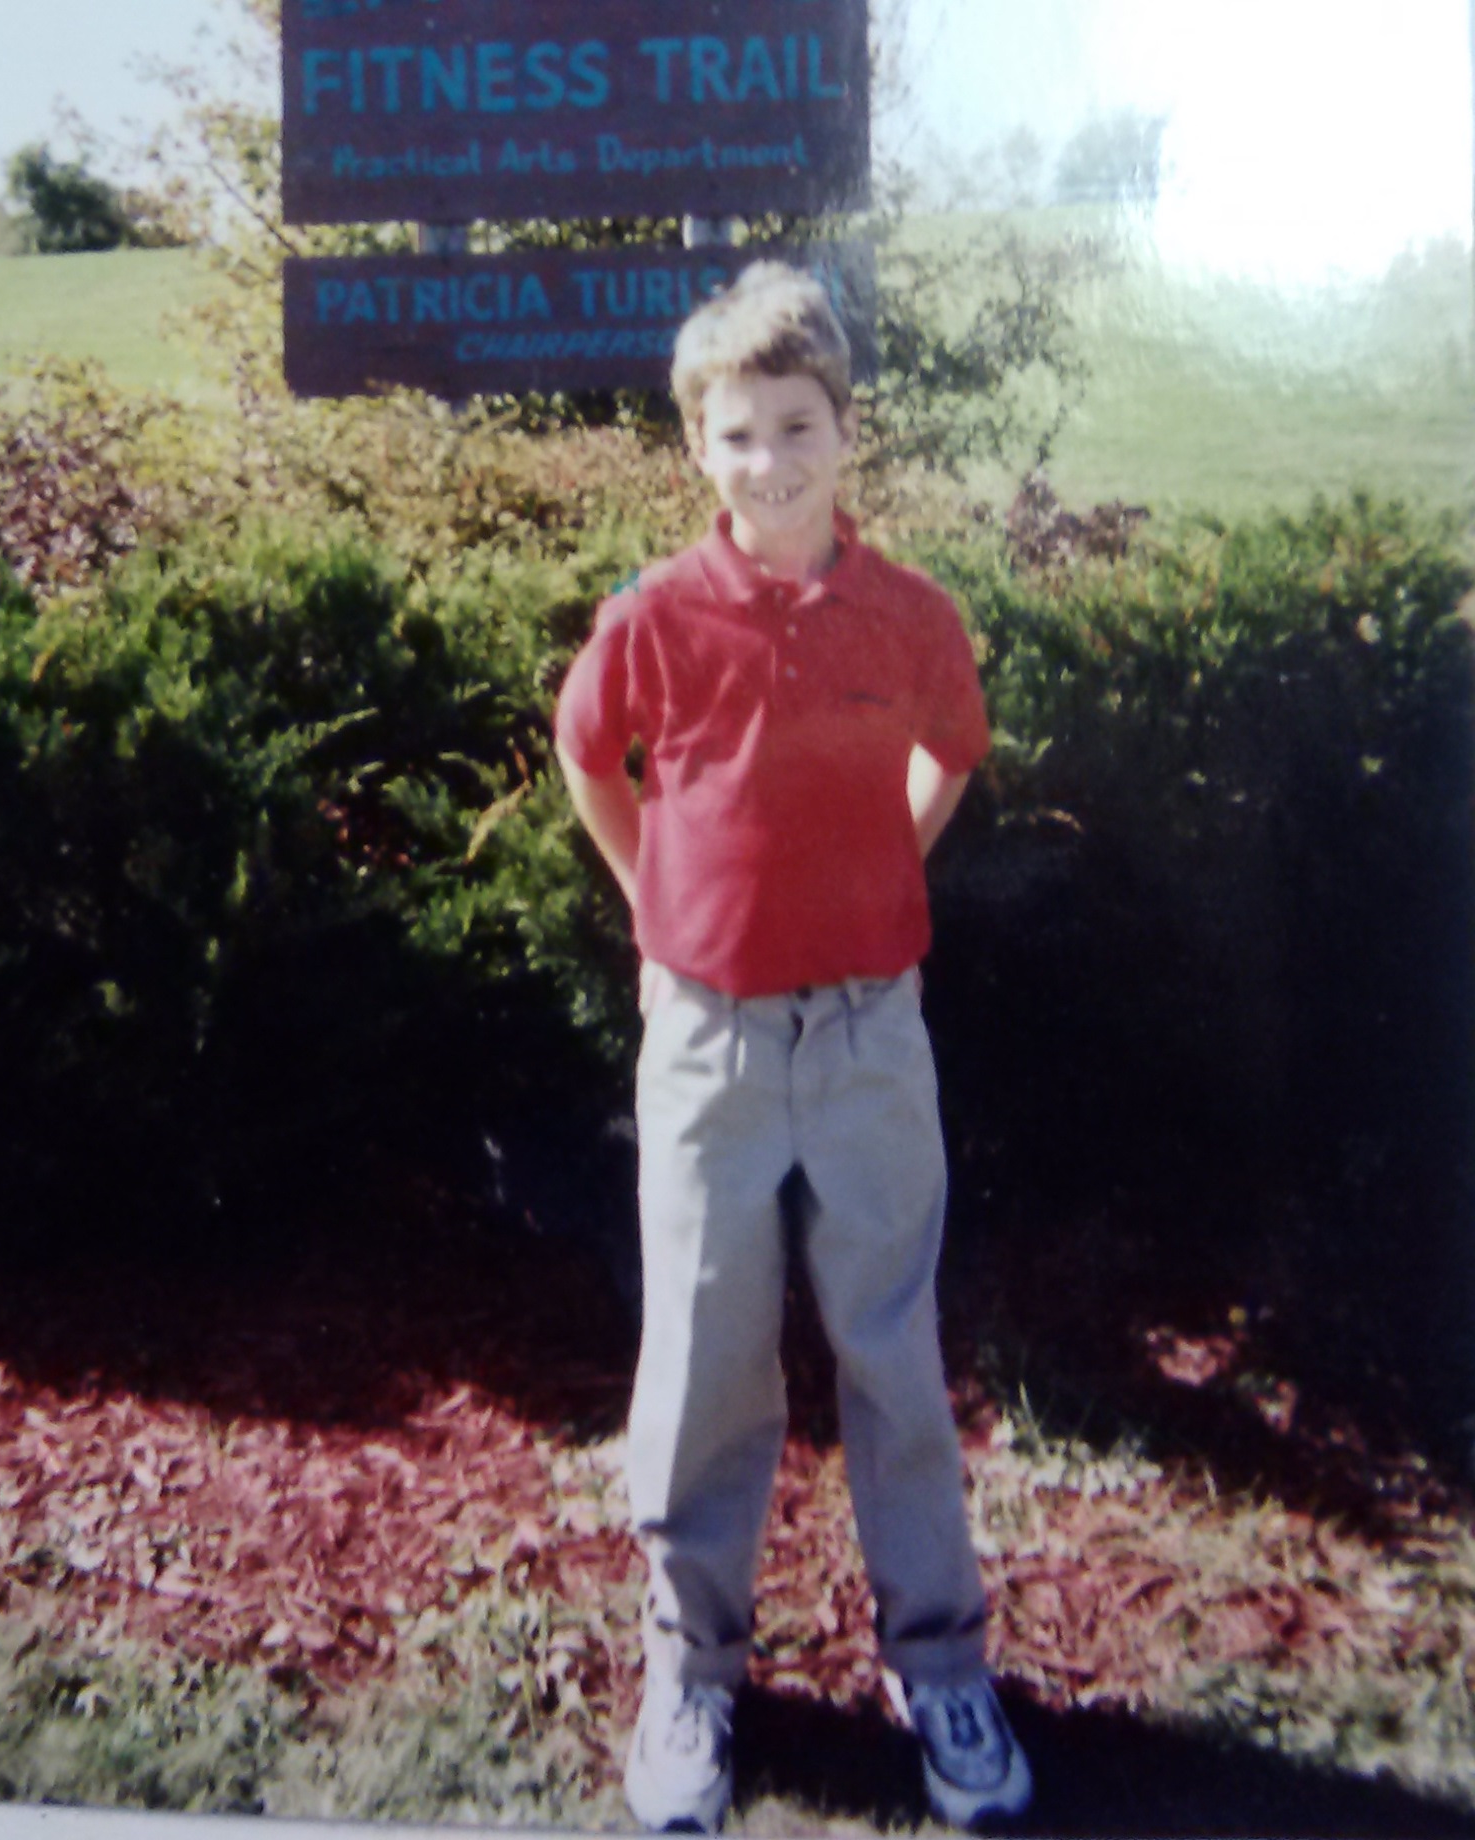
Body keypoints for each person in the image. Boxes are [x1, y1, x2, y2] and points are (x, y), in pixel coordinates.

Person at [552, 261, 1031, 1833]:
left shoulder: (908, 613)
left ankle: (939, 1660)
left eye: (799, 426)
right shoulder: (654, 617)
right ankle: (691, 1674)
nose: (772, 462)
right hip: (710, 1050)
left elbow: (948, 752)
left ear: (844, 430)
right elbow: (591, 761)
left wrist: (884, 870)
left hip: (872, 1039)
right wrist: (657, 909)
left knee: (890, 1352)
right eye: (739, 434)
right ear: (700, 447)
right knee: (701, 1365)